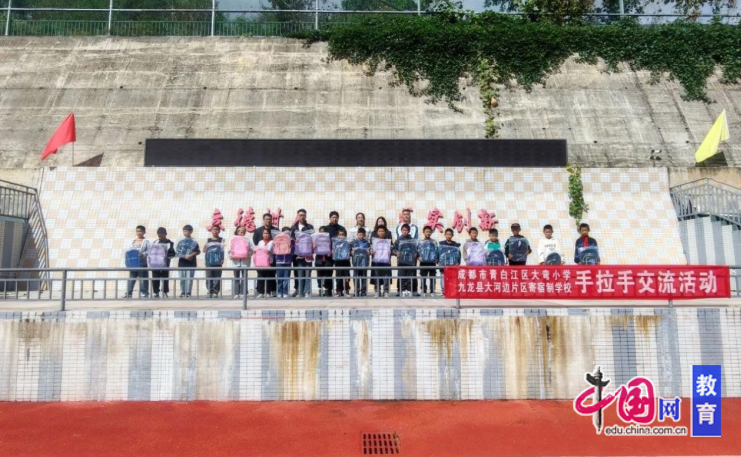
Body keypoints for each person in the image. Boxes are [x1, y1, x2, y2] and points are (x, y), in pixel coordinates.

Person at [289, 209, 314, 297]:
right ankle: (299, 291)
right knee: (298, 273)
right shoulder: (293, 227)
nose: (302, 217)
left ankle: (307, 291)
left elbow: (312, 238)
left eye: (303, 215)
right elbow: (291, 239)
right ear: (298, 216)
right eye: (300, 215)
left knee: (307, 274)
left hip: (307, 254)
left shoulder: (310, 227)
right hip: (297, 254)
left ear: (305, 216)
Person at [124, 225, 151, 298]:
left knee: (143, 279)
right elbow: (129, 250)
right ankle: (129, 293)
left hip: (142, 264)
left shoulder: (146, 241)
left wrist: (143, 254)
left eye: (140, 231)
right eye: (137, 231)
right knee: (132, 278)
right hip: (133, 264)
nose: (139, 233)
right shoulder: (133, 241)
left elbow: (149, 251)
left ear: (144, 232)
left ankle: (144, 292)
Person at [393, 224, 418, 297]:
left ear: (409, 231)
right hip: (401, 262)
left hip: (410, 262)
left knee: (410, 277)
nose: (405, 231)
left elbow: (416, 249)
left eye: (406, 230)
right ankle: (401, 291)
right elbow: (393, 249)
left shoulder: (412, 240)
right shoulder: (398, 240)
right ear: (401, 231)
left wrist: (416, 253)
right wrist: (396, 253)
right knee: (401, 277)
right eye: (403, 230)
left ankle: (410, 291)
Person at [151, 227, 176, 299]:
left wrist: (166, 255)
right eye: (159, 235)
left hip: (165, 264)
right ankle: (156, 292)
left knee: (165, 278)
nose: (160, 236)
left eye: (162, 234)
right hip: (156, 264)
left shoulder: (170, 243)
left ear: (165, 234)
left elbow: (172, 253)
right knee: (155, 278)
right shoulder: (155, 242)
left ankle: (165, 292)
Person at [370, 217, 393, 294]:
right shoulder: (373, 236)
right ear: (377, 232)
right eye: (380, 231)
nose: (381, 232)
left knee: (386, 275)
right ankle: (377, 290)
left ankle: (386, 291)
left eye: (383, 231)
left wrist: (390, 250)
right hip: (376, 260)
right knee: (377, 275)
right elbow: (370, 246)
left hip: (386, 260)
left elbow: (391, 245)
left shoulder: (388, 235)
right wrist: (371, 250)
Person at [229, 226, 254, 298]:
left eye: (243, 231)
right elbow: (229, 249)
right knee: (236, 277)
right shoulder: (233, 239)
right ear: (237, 231)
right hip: (235, 262)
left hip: (245, 262)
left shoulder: (248, 239)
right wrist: (230, 256)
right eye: (240, 230)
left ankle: (243, 293)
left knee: (244, 277)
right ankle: (236, 293)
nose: (241, 232)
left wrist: (247, 255)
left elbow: (252, 249)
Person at [177, 224, 200, 298]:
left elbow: (198, 251)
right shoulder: (180, 241)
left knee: (189, 279)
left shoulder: (194, 241)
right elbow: (177, 251)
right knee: (182, 278)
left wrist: (190, 256)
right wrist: (183, 256)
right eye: (184, 231)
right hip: (182, 262)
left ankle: (188, 292)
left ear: (191, 232)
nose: (185, 233)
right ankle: (182, 292)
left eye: (187, 231)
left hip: (191, 263)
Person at [204, 225, 225, 298]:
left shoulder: (221, 240)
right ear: (211, 231)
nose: (215, 231)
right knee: (209, 276)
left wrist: (222, 259)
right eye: (214, 229)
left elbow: (222, 250)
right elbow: (204, 250)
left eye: (217, 230)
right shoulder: (208, 240)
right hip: (209, 261)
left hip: (218, 261)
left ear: (219, 231)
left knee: (217, 276)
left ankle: (215, 292)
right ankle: (209, 291)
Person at [417, 225, 439, 296]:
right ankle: (423, 291)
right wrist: (418, 257)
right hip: (423, 263)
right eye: (426, 232)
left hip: (432, 263)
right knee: (423, 277)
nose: (428, 233)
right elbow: (417, 251)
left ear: (431, 233)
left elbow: (437, 251)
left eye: (429, 232)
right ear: (423, 232)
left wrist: (437, 259)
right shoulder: (420, 242)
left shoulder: (434, 242)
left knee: (432, 277)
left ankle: (432, 291)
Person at [439, 228, 461, 295]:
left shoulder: (455, 245)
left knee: (452, 278)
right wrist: (438, 260)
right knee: (443, 278)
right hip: (444, 264)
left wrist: (458, 262)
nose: (448, 236)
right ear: (445, 235)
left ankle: (451, 291)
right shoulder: (441, 244)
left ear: (452, 235)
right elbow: (438, 253)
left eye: (450, 234)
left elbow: (458, 254)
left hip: (452, 264)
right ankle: (443, 291)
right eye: (447, 234)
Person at [275, 226, 294, 298]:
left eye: (288, 232)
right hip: (279, 261)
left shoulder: (292, 240)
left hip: (288, 261)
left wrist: (291, 247)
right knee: (279, 278)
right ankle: (279, 292)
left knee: (286, 278)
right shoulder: (277, 239)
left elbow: (294, 251)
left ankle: (285, 292)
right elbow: (272, 250)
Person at [314, 226, 333, 296]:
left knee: (328, 275)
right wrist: (314, 246)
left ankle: (328, 290)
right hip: (319, 259)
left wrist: (331, 252)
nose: (322, 234)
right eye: (321, 232)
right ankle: (320, 289)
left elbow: (333, 248)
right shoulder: (316, 239)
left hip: (328, 259)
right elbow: (312, 249)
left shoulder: (330, 240)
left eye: (323, 232)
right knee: (319, 275)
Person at [351, 227, 370, 297]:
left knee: (364, 277)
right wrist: (351, 252)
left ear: (365, 235)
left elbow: (370, 250)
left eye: (362, 235)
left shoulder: (367, 243)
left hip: (364, 263)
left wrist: (369, 251)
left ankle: (363, 291)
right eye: (360, 235)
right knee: (356, 277)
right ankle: (356, 291)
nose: (361, 236)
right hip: (356, 262)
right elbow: (349, 250)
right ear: (357, 235)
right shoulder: (353, 243)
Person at [333, 228, 352, 297]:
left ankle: (346, 290)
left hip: (346, 261)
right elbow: (333, 251)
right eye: (340, 234)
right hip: (338, 261)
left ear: (345, 235)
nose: (341, 236)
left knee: (346, 276)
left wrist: (351, 252)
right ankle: (339, 290)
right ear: (338, 235)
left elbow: (351, 251)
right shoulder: (335, 243)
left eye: (343, 234)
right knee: (338, 276)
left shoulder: (348, 243)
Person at [255, 230, 274, 298]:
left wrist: (270, 252)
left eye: (267, 233)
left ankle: (268, 292)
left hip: (269, 262)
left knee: (269, 277)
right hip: (261, 262)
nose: (266, 235)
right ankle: (261, 292)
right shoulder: (260, 242)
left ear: (270, 234)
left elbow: (274, 251)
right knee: (260, 277)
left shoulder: (272, 242)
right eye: (264, 233)